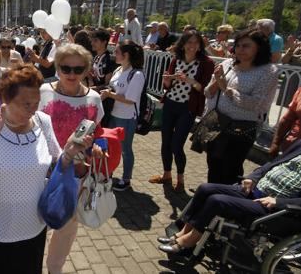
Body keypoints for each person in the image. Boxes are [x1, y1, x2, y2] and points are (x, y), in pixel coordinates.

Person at [0, 65, 93, 274]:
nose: (32, 110)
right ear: (5, 99)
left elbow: (54, 166)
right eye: (26, 104)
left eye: (36, 103)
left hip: (31, 232)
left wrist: (70, 153)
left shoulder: (43, 122)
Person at [158, 118, 301, 254]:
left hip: (273, 208)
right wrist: (253, 177)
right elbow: (270, 165)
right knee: (205, 188)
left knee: (217, 201)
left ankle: (187, 243)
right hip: (254, 189)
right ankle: (182, 233)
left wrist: (279, 202)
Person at [38, 44, 104, 274]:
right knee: (35, 223)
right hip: (42, 171)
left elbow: (99, 131)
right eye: (66, 68)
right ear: (57, 67)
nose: (72, 74)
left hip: (76, 174)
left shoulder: (94, 98)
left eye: (78, 69)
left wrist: (97, 145)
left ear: (86, 70)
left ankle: (54, 269)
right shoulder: (43, 92)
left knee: (66, 226)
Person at [204, 29, 279, 185]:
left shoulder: (268, 71)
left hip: (240, 129)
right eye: (238, 45)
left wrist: (227, 89)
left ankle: (225, 202)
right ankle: (210, 196)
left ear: (258, 48)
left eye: (246, 46)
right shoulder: (227, 63)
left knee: (230, 169)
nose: (240, 49)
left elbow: (258, 104)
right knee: (213, 165)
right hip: (216, 124)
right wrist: (216, 83)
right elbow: (208, 93)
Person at [150, 31, 215, 192]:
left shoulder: (206, 63)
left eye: (196, 43)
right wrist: (166, 80)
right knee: (165, 142)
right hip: (171, 103)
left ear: (200, 45)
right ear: (183, 44)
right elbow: (167, 85)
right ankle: (166, 175)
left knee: (176, 145)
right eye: (189, 42)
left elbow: (204, 89)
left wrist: (189, 80)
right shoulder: (176, 59)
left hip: (188, 107)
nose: (192, 46)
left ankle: (180, 179)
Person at [100, 40, 146, 191]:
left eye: (117, 52)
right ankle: (109, 173)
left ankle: (126, 179)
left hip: (126, 117)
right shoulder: (118, 70)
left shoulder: (137, 74)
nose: (114, 54)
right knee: (110, 146)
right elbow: (111, 88)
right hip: (113, 114)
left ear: (126, 55)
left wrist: (109, 94)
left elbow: (130, 100)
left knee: (125, 149)